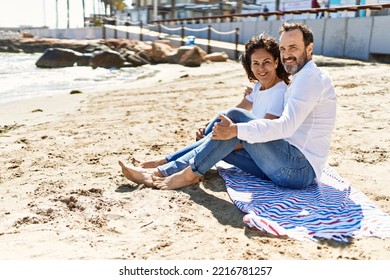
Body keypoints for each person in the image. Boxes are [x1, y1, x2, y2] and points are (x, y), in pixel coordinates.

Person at [118, 33, 290, 187]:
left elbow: (264, 136)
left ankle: (160, 170)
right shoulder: (257, 88)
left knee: (220, 135)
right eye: (256, 63)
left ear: (276, 62)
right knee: (220, 121)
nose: (261, 68)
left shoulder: (280, 92)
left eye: (266, 62)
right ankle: (163, 163)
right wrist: (210, 128)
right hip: (252, 150)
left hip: (267, 163)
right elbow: (234, 112)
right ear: (250, 65)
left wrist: (219, 137)